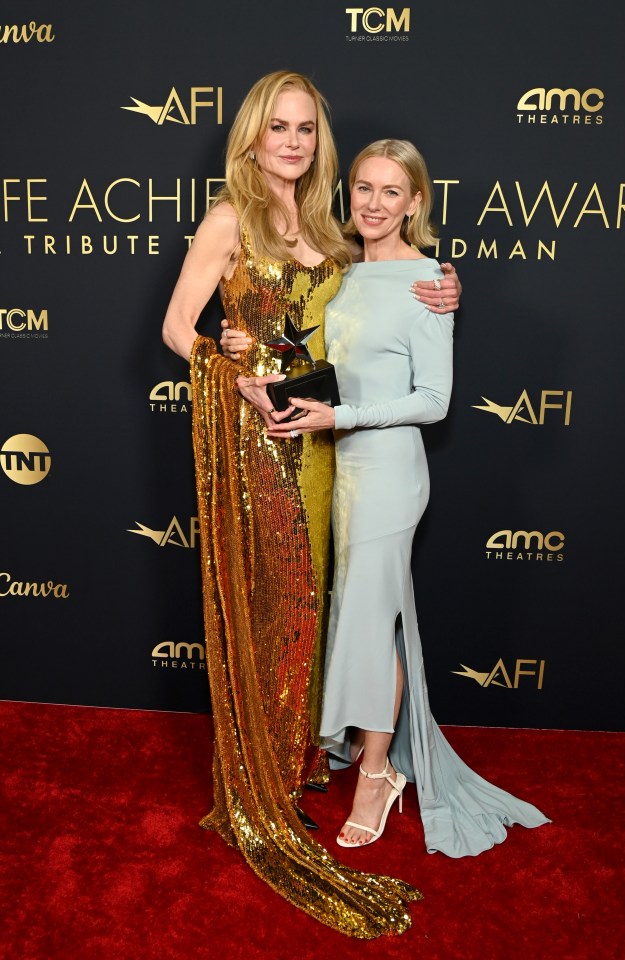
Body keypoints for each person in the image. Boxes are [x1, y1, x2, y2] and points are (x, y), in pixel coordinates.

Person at [163, 72, 460, 937]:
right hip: (259, 446)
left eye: (304, 130)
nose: (291, 142)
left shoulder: (330, 225)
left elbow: (377, 303)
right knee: (267, 607)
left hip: (328, 453)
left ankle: (298, 760)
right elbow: (182, 328)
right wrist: (241, 382)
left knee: (311, 612)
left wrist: (443, 289)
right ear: (252, 136)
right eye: (276, 127)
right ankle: (255, 783)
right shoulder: (229, 218)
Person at [266, 139, 549, 855]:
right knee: (365, 615)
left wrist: (344, 418)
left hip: (390, 472)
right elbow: (314, 355)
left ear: (417, 202)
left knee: (368, 614)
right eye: (363, 187)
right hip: (337, 467)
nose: (373, 203)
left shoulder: (429, 283)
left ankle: (376, 770)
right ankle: (370, 755)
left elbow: (434, 401)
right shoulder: (341, 270)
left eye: (392, 192)